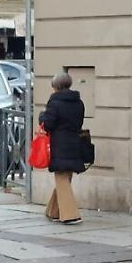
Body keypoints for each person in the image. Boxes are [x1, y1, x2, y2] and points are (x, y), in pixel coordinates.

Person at [41, 72, 86, 225]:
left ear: (56, 86)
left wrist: (42, 116)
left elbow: (48, 125)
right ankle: (53, 211)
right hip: (75, 143)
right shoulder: (79, 102)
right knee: (65, 178)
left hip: (60, 144)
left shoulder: (55, 103)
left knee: (61, 179)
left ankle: (71, 215)